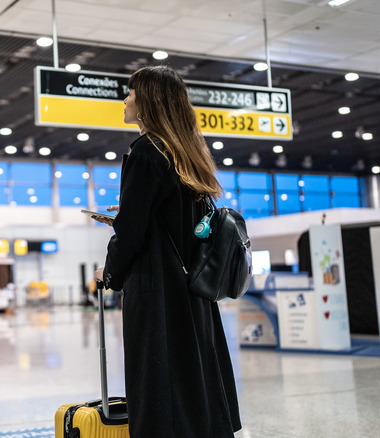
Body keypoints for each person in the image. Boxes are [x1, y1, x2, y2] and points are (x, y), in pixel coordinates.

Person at [93, 66, 241, 437]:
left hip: (157, 290)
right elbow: (174, 220)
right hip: (193, 290)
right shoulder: (186, 151)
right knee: (194, 376)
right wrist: (129, 215)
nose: (125, 100)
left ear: (148, 102)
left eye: (130, 93)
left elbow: (132, 234)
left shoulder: (146, 151)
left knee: (157, 381)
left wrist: (109, 273)